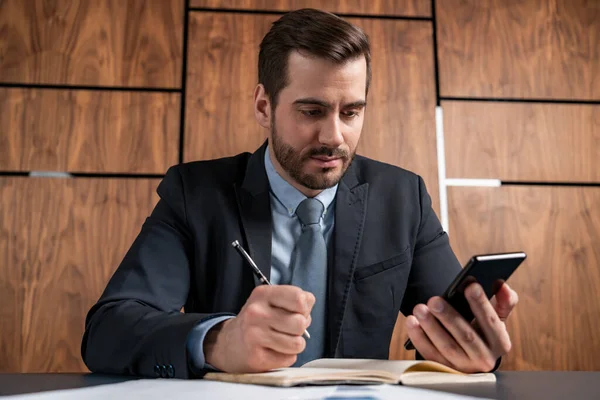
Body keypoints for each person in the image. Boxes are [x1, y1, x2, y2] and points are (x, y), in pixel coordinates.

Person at [81, 8, 518, 379]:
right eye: (311, 111)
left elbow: (449, 334)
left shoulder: (404, 198)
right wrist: (217, 341)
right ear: (263, 106)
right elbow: (108, 331)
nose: (334, 137)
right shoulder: (195, 194)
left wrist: (472, 349)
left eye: (351, 112)